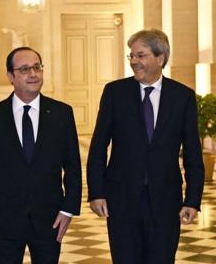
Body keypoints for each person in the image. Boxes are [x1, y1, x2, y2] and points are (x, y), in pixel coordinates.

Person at [87, 29, 204, 263]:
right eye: (131, 56)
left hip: (165, 202)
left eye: (140, 55)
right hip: (121, 200)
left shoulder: (183, 97)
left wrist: (192, 199)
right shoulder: (114, 92)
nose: (134, 62)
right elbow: (98, 147)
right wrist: (97, 193)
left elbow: (192, 153)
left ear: (160, 58)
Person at [0, 46, 82, 264]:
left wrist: (68, 209)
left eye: (37, 67)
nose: (33, 74)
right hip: (5, 217)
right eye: (24, 69)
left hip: (49, 217)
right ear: (10, 76)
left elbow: (73, 166)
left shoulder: (61, 113)